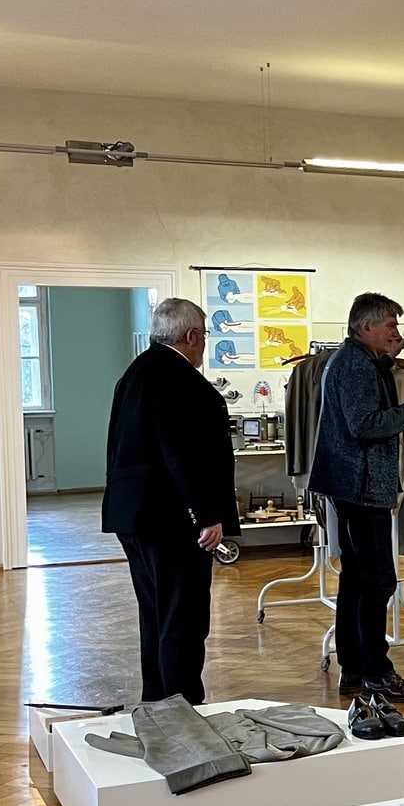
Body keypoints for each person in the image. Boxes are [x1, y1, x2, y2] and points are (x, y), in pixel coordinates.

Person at [102, 297, 239, 705]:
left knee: (156, 613)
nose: (203, 345)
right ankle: (182, 705)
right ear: (192, 336)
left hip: (133, 513)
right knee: (184, 617)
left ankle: (158, 701)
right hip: (171, 519)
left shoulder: (135, 372)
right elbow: (183, 456)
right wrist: (207, 515)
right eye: (204, 336)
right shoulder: (181, 381)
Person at [309, 293, 404, 708]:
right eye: (390, 325)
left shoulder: (356, 360)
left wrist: (386, 361)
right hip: (361, 488)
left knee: (357, 578)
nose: (397, 332)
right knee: (377, 580)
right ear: (366, 327)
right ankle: (377, 673)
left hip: (353, 486)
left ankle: (356, 668)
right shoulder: (355, 365)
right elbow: (363, 424)